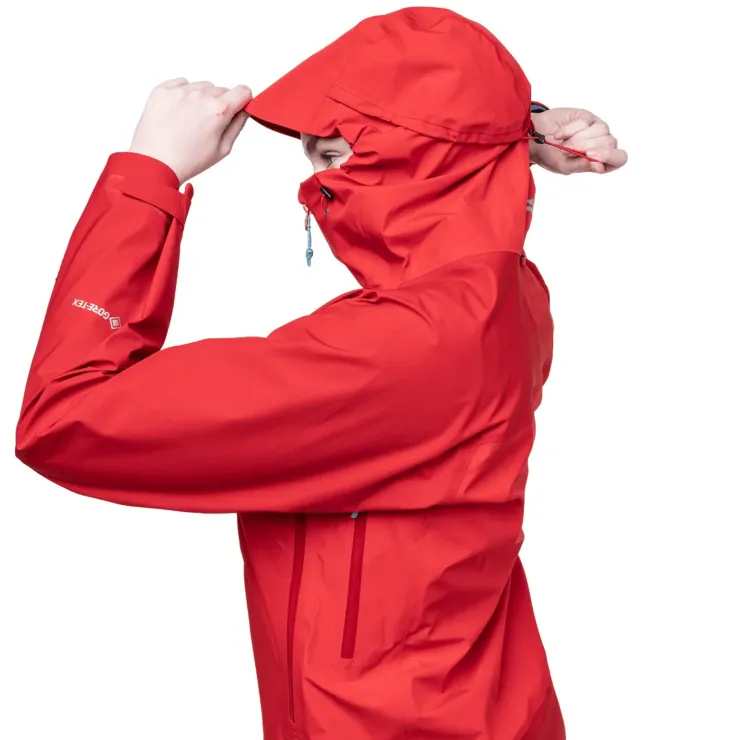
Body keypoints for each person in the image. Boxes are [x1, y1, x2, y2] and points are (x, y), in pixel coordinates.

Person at [15, 7, 627, 740]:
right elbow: (461, 186)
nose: (317, 184)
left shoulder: (397, 349)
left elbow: (64, 419)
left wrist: (149, 173)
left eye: (334, 155)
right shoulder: (504, 289)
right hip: (473, 710)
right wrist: (515, 132)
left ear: (424, 164)